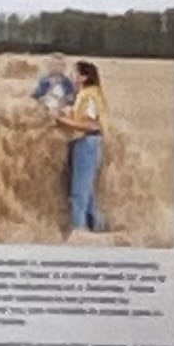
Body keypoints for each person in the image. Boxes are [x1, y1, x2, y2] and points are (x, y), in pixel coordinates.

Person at [57, 59, 106, 235]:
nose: (71, 77)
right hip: (87, 144)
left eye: (74, 73)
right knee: (88, 192)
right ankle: (99, 230)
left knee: (79, 193)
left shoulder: (88, 97)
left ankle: (79, 233)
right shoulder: (85, 95)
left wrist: (63, 121)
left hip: (87, 144)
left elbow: (92, 125)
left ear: (83, 77)